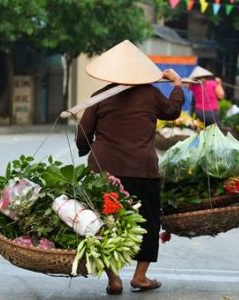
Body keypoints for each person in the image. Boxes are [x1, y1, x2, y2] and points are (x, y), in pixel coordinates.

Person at [76, 40, 184, 294]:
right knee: (148, 221)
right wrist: (177, 84)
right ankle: (140, 276)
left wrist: (87, 149)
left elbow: (83, 134)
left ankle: (113, 278)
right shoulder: (151, 94)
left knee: (103, 222)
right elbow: (173, 110)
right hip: (142, 170)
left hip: (104, 171)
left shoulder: (99, 97)